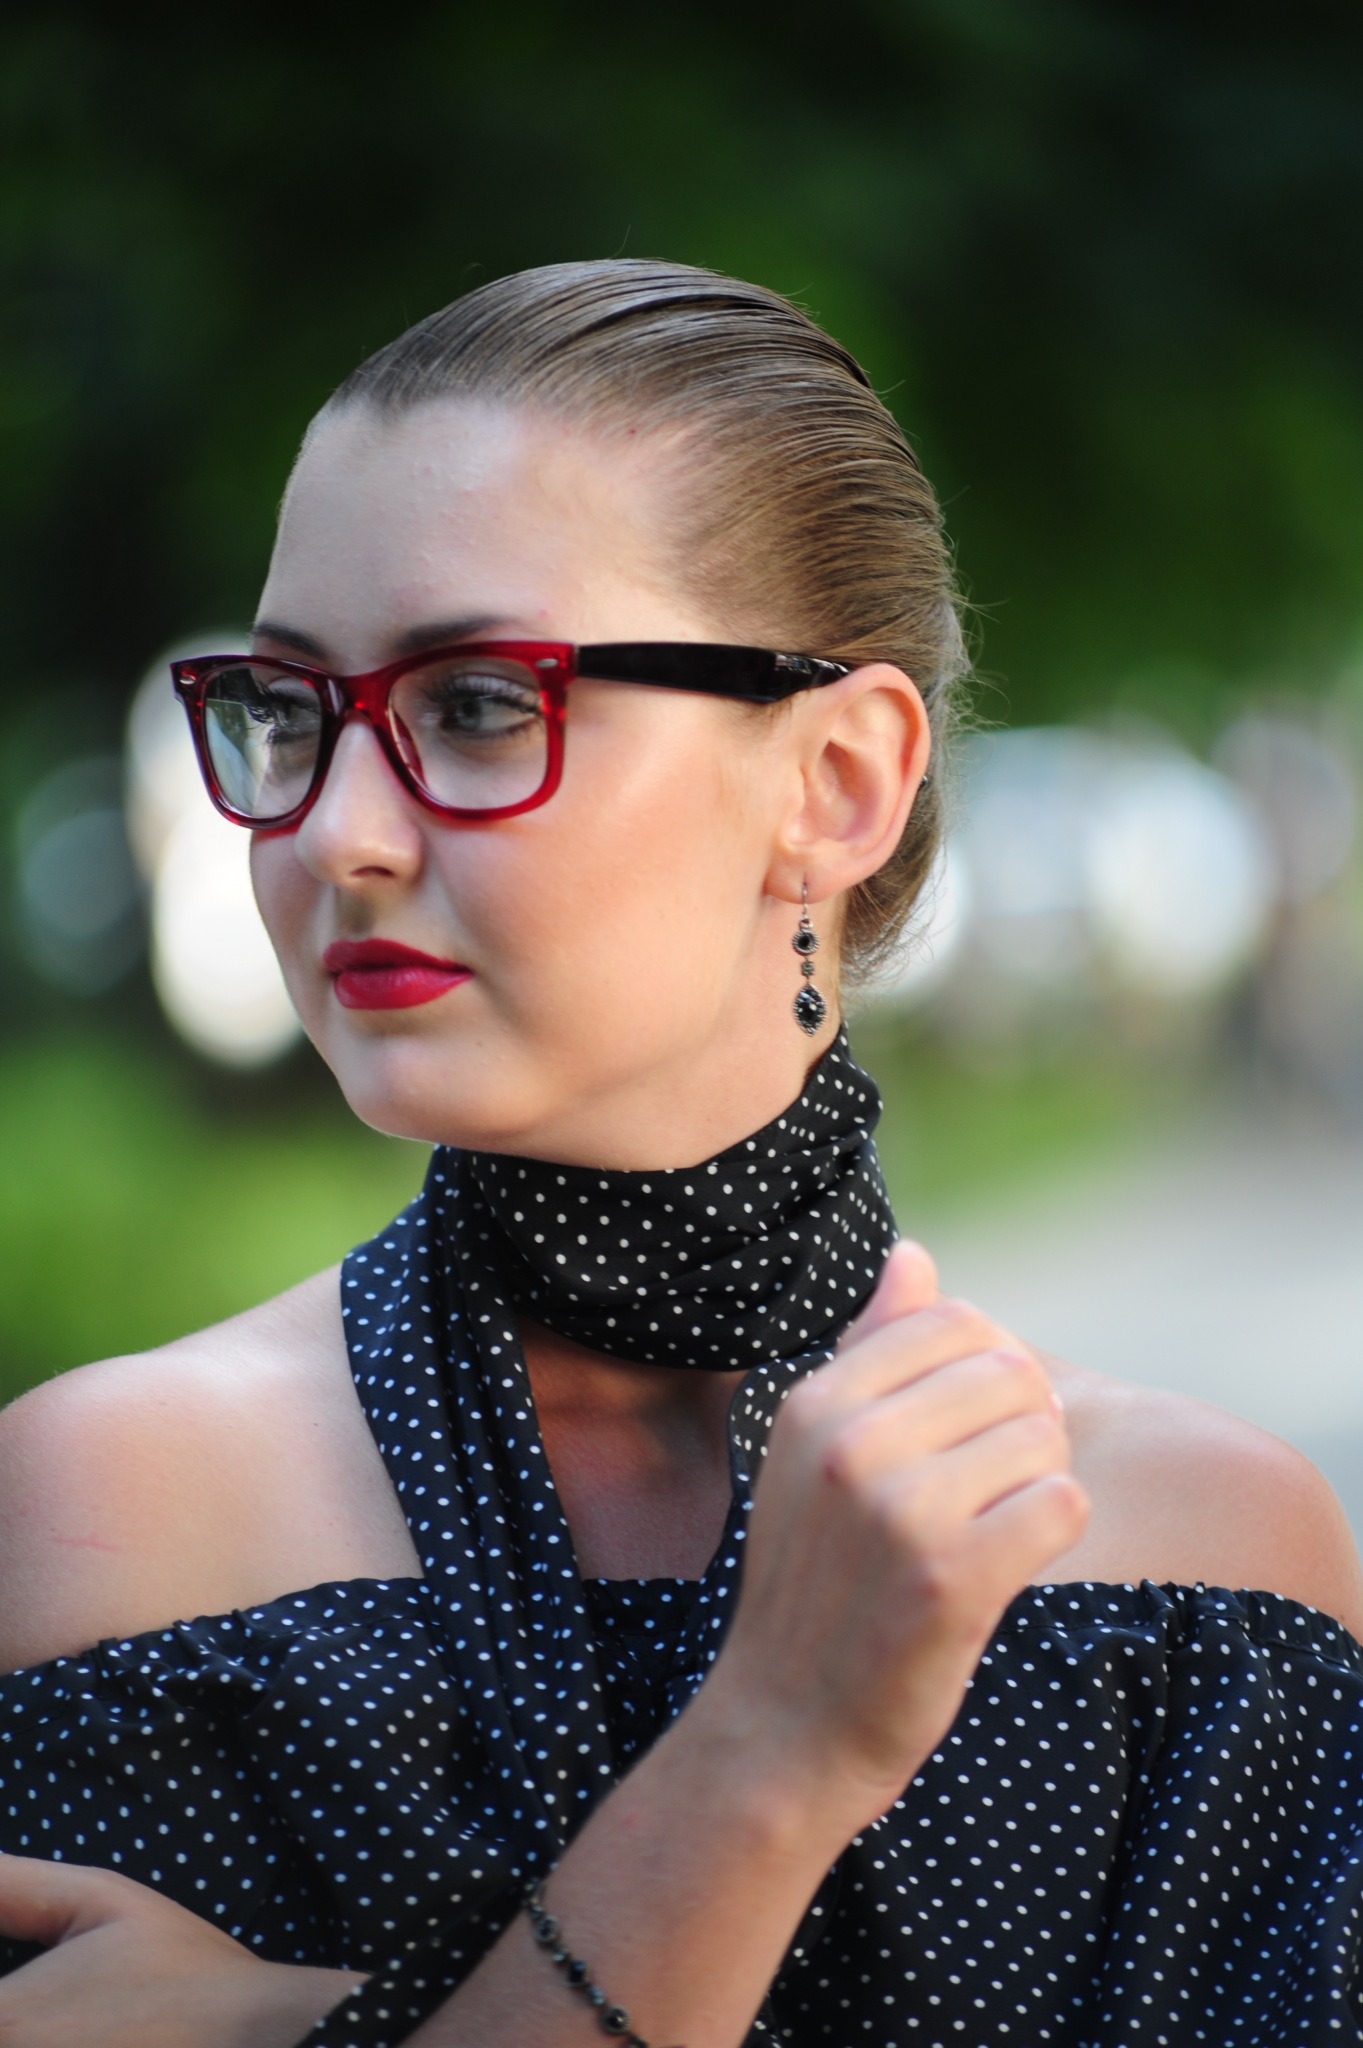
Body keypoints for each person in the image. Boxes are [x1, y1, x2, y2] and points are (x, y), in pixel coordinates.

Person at [0, 259, 1360, 2048]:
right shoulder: (120, 1507)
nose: (334, 834)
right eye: (289, 709)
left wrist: (311, 2023)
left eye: (476, 704)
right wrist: (767, 1754)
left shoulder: (1201, 1569)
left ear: (836, 784)